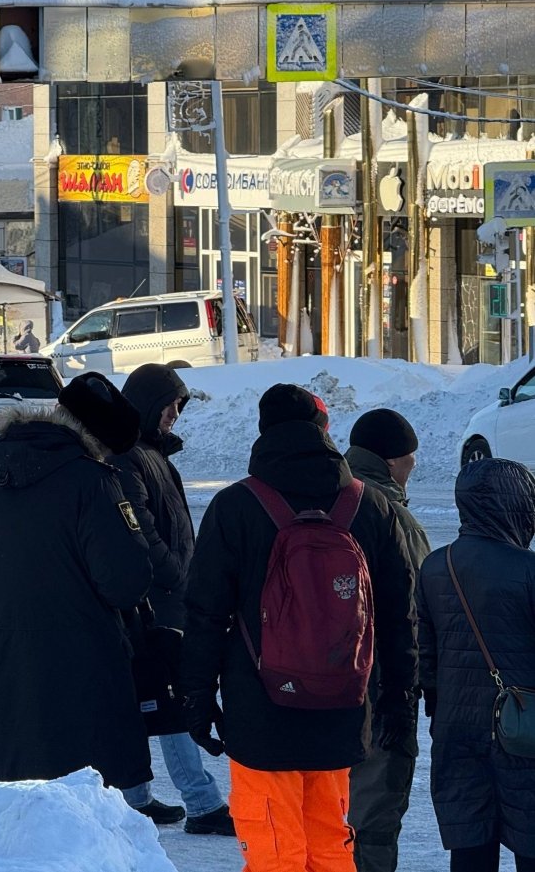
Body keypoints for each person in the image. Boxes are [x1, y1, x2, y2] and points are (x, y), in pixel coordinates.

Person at [179, 384, 417, 872]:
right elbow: (398, 616)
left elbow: (205, 613)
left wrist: (198, 699)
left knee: (272, 848)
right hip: (342, 705)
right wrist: (397, 699)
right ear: (323, 431)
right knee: (331, 842)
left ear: (265, 433)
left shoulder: (235, 507)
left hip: (259, 708)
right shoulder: (369, 506)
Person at [0, 372, 153, 791]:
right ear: (97, 442)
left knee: (33, 829)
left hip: (11, 692)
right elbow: (125, 583)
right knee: (100, 838)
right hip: (89, 689)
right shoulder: (94, 484)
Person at [109, 363, 233, 834]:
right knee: (169, 700)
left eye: (179, 405)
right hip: (153, 603)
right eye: (169, 404)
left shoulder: (151, 454)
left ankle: (136, 798)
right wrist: (176, 572)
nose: (175, 413)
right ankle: (202, 803)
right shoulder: (130, 458)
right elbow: (138, 527)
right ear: (146, 404)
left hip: (165, 599)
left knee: (152, 701)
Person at [417, 458, 535, 872]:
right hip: (525, 732)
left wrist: (440, 707)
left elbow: (426, 657)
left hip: (456, 729)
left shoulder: (435, 565)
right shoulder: (529, 569)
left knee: (470, 849)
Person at [345, 408, 431, 872]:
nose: (414, 464)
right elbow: (420, 606)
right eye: (409, 456)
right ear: (390, 460)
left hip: (308, 680)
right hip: (381, 682)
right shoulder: (391, 515)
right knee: (374, 811)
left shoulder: (324, 494)